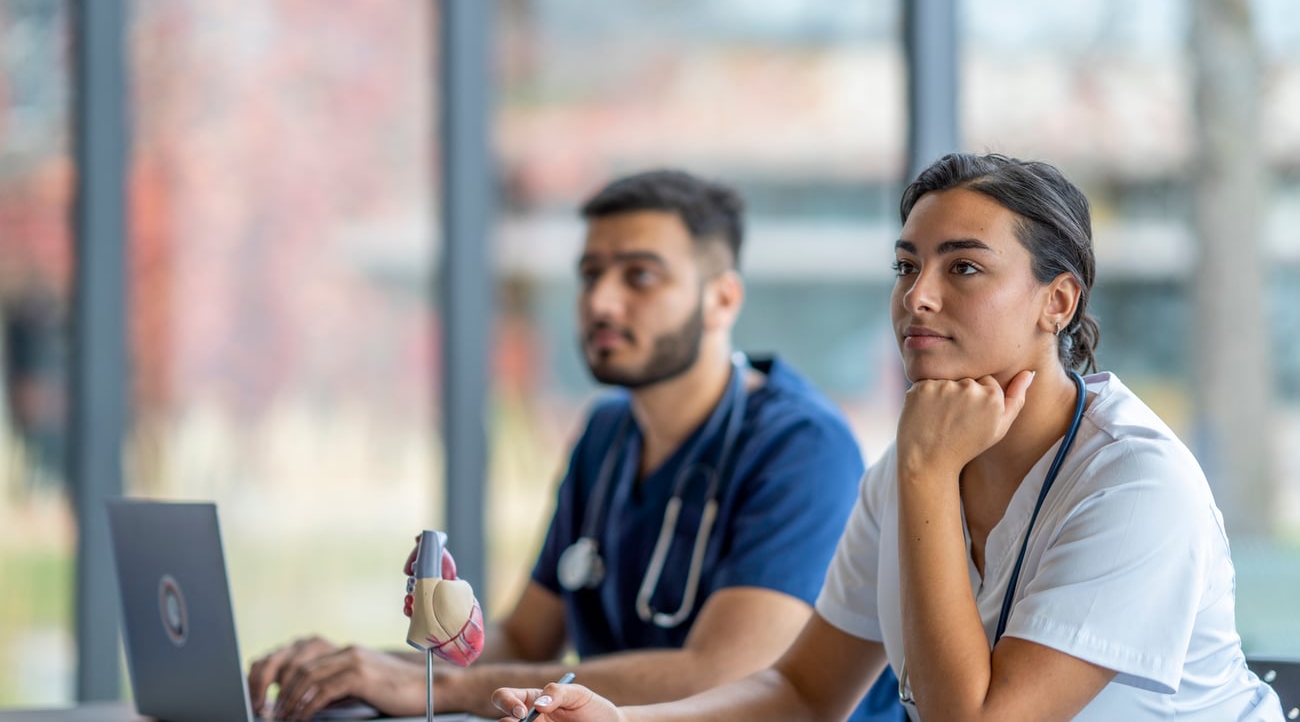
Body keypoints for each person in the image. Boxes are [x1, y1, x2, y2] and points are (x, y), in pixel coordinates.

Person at [491, 153, 1286, 722]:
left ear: (1058, 302)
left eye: (963, 269)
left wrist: (927, 472)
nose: (918, 299)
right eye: (907, 267)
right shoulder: (905, 466)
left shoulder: (1134, 486)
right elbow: (803, 692)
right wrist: (623, 721)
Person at [247, 169, 904, 721]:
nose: (602, 302)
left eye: (639, 276)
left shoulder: (801, 445)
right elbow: (523, 637)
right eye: (591, 274)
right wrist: (361, 667)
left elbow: (727, 675)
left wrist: (444, 693)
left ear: (721, 299)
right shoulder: (605, 434)